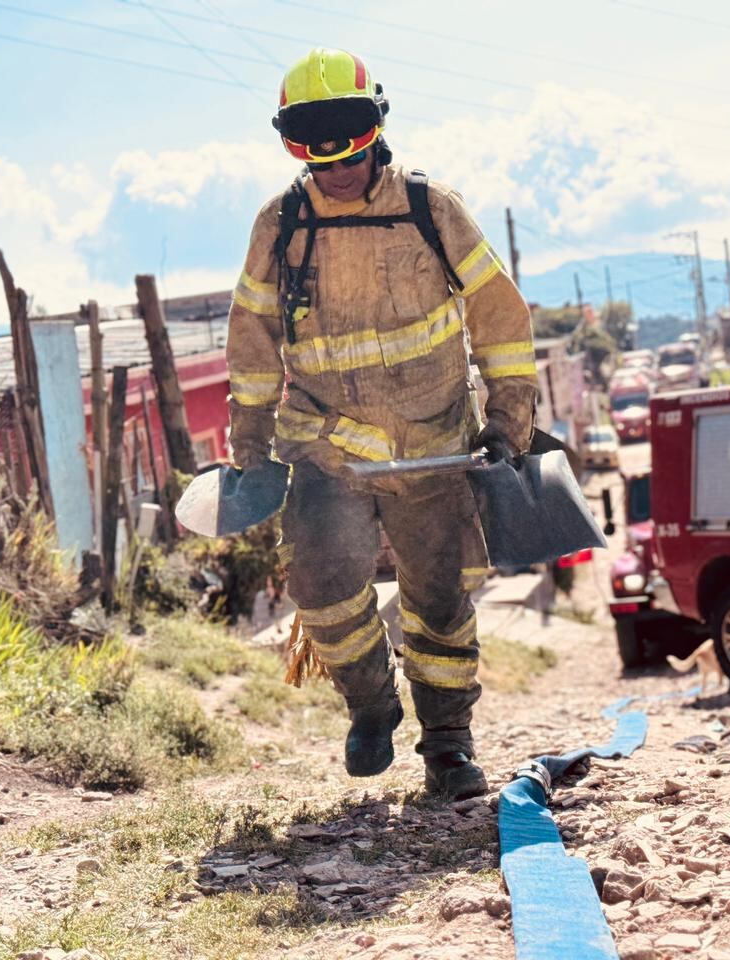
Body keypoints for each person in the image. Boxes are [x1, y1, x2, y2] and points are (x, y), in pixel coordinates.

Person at [224, 48, 537, 801]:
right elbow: (253, 339)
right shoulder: (281, 224)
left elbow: (499, 317)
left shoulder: (431, 210)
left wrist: (508, 421)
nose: (334, 160)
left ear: (376, 127)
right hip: (328, 449)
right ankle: (370, 707)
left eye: (348, 135)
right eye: (312, 141)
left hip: (432, 446)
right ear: (292, 144)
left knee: (438, 602)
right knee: (324, 586)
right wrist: (250, 446)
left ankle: (449, 746)